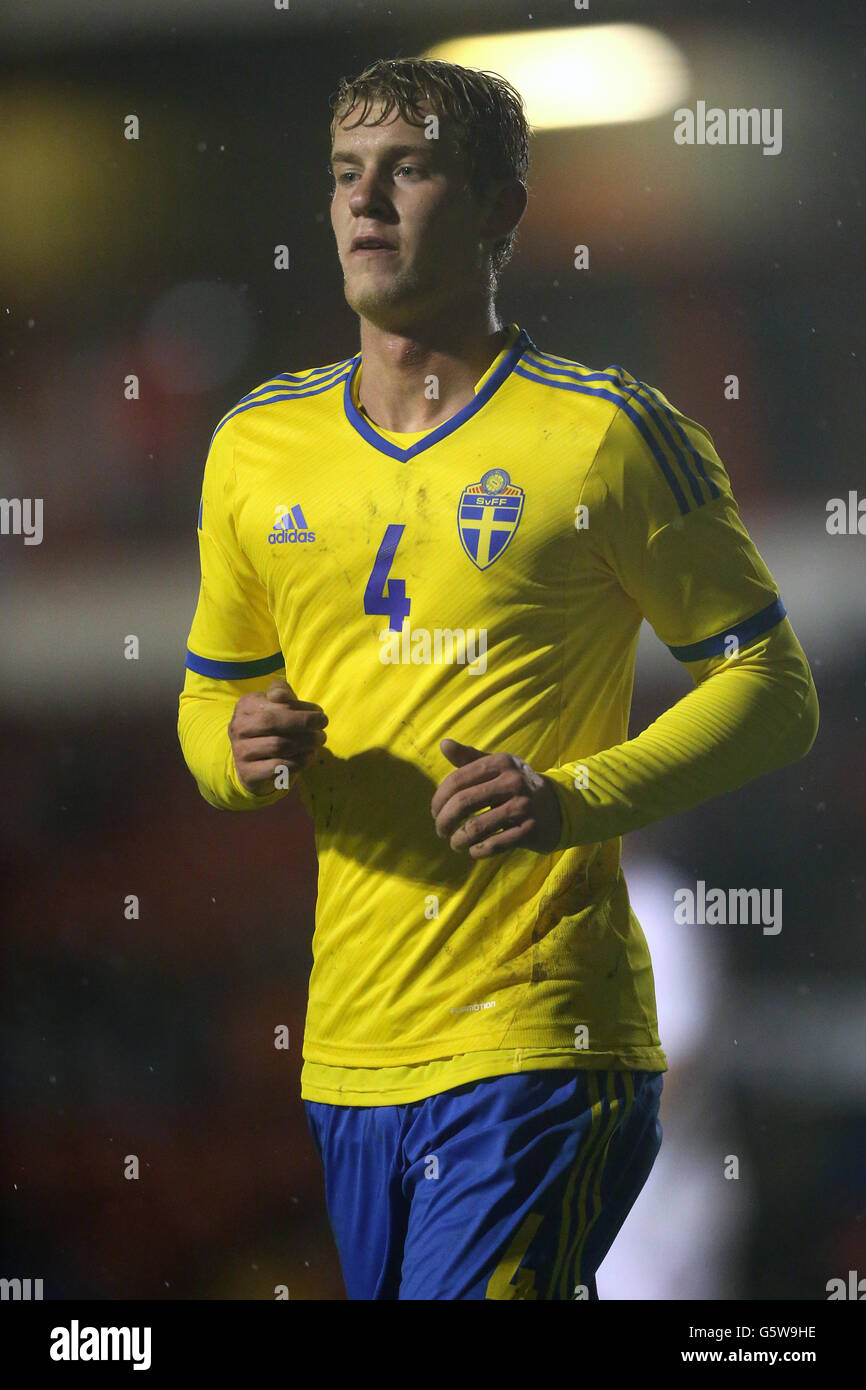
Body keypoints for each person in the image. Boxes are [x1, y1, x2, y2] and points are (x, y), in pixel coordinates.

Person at [177, 56, 819, 1300]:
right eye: (343, 177)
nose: (365, 204)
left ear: (497, 212)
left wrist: (570, 798)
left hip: (542, 1036)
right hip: (353, 1054)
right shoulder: (256, 446)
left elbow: (772, 688)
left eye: (407, 171)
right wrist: (241, 748)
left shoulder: (608, 435)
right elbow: (208, 714)